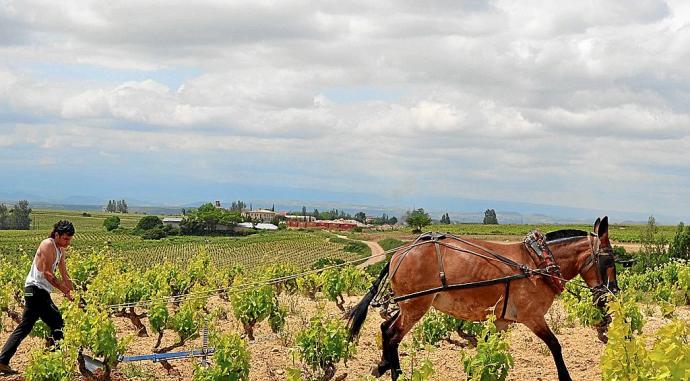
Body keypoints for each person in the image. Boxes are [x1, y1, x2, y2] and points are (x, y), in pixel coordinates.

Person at [0, 220, 75, 375]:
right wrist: (64, 290)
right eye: (65, 239)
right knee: (58, 322)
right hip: (35, 290)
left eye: (70, 239)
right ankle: (55, 361)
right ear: (57, 235)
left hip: (36, 291)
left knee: (25, 326)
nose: (68, 242)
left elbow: (64, 274)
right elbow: (48, 273)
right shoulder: (47, 244)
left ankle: (2, 360)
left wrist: (74, 292)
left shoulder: (60, 250)